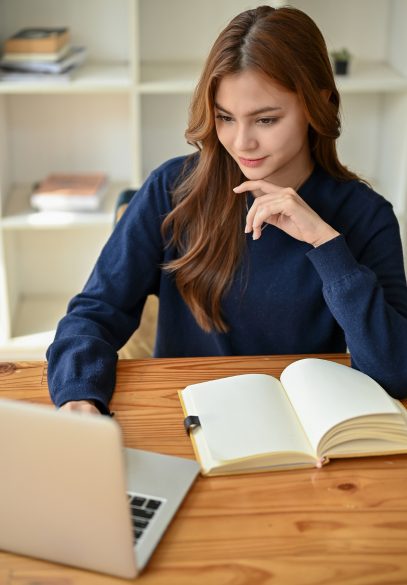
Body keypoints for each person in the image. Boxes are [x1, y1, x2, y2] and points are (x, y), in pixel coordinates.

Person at [47, 5, 407, 416]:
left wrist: (326, 245)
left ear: (318, 103)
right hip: (183, 417)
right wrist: (79, 395)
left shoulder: (366, 216)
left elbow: (394, 373)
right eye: (225, 117)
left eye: (266, 120)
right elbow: (95, 313)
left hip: (301, 436)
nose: (241, 142)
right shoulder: (172, 190)